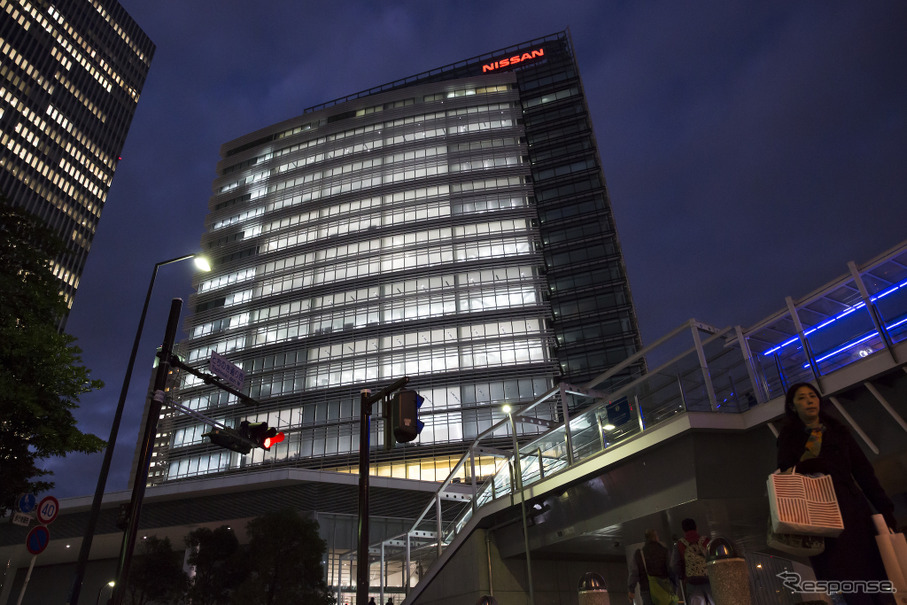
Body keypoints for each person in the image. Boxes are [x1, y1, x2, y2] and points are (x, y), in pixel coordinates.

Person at [776, 382, 897, 605]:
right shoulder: (789, 437)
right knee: (845, 578)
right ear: (792, 406)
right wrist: (809, 466)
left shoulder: (839, 432)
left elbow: (863, 472)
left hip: (853, 509)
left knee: (875, 574)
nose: (810, 400)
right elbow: (786, 473)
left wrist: (885, 509)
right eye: (802, 398)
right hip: (820, 513)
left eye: (813, 396)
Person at [671, 518, 713, 605]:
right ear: (696, 527)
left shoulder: (680, 544)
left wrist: (683, 577)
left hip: (692, 582)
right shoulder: (706, 541)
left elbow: (675, 565)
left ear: (683, 530)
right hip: (709, 580)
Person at [628, 529, 676, 605]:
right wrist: (674, 586)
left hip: (647, 590)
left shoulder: (639, 553)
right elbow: (671, 570)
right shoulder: (664, 551)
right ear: (656, 537)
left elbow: (634, 573)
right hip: (664, 588)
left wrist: (631, 589)